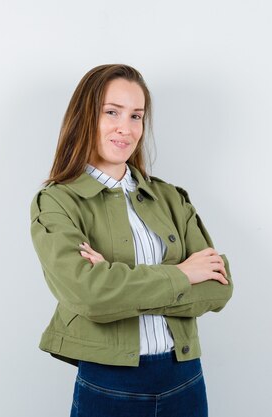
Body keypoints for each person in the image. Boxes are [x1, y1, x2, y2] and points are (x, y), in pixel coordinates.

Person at [29, 64, 234, 417]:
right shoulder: (58, 201)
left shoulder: (171, 197)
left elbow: (218, 288)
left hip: (184, 378)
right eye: (112, 112)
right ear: (85, 117)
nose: (126, 127)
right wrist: (183, 274)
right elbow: (89, 295)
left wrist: (116, 282)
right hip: (110, 384)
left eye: (136, 116)